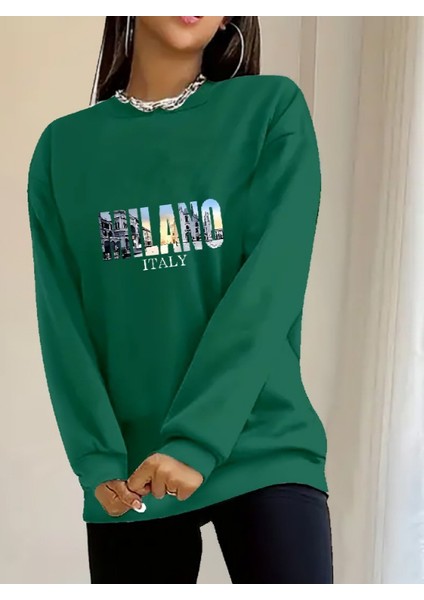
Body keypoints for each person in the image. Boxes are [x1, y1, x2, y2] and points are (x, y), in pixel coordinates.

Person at [27, 16, 333, 584]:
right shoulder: (62, 148)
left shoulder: (269, 109)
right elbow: (62, 318)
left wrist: (196, 439)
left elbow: (269, 286)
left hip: (261, 443)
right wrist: (96, 457)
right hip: (129, 472)